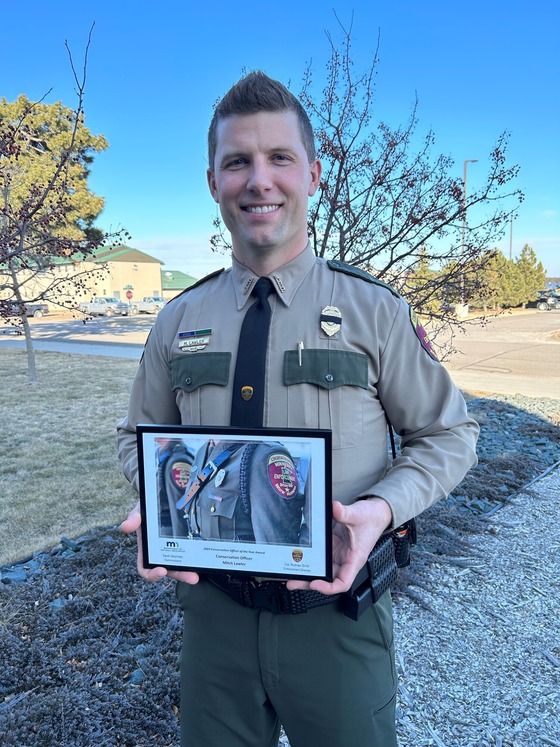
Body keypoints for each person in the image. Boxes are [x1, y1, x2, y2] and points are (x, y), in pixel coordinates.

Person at [118, 71, 479, 747]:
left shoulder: (375, 310)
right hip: (214, 623)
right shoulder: (177, 319)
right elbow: (135, 434)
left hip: (337, 619)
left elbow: (448, 433)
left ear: (312, 173)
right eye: (237, 162)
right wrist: (158, 502)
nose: (259, 180)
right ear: (212, 183)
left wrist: (383, 509)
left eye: (279, 158)